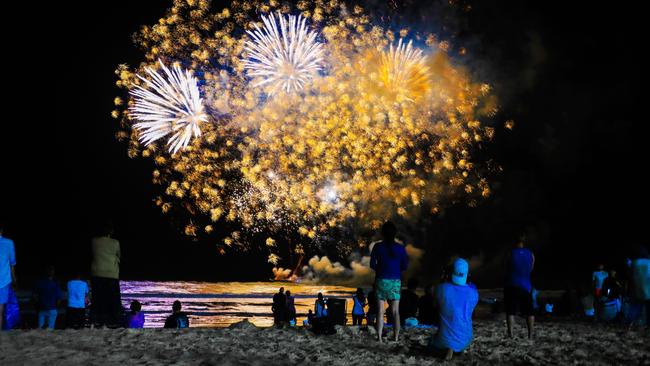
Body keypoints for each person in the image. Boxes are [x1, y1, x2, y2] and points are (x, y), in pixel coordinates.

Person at [429, 258, 479, 361]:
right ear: (467, 275)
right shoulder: (474, 294)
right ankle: (457, 347)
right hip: (466, 339)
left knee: (431, 342)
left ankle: (449, 347)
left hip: (443, 340)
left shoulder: (440, 289)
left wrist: (443, 279)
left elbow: (435, 305)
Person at [369, 221, 409, 342]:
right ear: (395, 233)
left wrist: (380, 269)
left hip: (381, 280)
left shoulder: (377, 247)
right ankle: (396, 337)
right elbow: (405, 266)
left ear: (382, 233)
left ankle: (380, 337)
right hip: (395, 281)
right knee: (395, 311)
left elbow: (372, 265)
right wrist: (395, 270)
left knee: (380, 311)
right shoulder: (400, 248)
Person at [90, 221, 122, 327]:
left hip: (97, 272)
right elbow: (119, 255)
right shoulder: (115, 243)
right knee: (113, 300)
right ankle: (113, 321)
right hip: (111, 274)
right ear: (111, 232)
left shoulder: (94, 241)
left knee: (98, 299)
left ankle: (97, 320)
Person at [504, 238, 535, 339]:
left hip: (513, 283)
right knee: (529, 312)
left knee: (510, 311)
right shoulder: (531, 254)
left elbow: (507, 267)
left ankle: (511, 334)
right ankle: (530, 335)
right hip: (526, 285)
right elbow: (531, 268)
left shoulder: (510, 253)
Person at [0, 222, 17, 331]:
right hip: (3, 280)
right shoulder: (8, 243)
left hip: (4, 280)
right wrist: (14, 278)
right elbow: (12, 263)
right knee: (1, 309)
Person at [34, 265, 62, 329]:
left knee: (40, 329)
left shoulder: (40, 282)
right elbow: (59, 298)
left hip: (42, 308)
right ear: (53, 273)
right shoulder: (55, 283)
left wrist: (37, 305)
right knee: (50, 329)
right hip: (51, 308)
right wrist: (56, 307)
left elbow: (35, 296)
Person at [630, 246, 650, 327]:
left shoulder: (634, 262)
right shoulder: (649, 262)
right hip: (648, 288)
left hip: (637, 288)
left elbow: (631, 275)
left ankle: (631, 322)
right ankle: (648, 323)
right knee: (648, 307)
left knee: (636, 306)